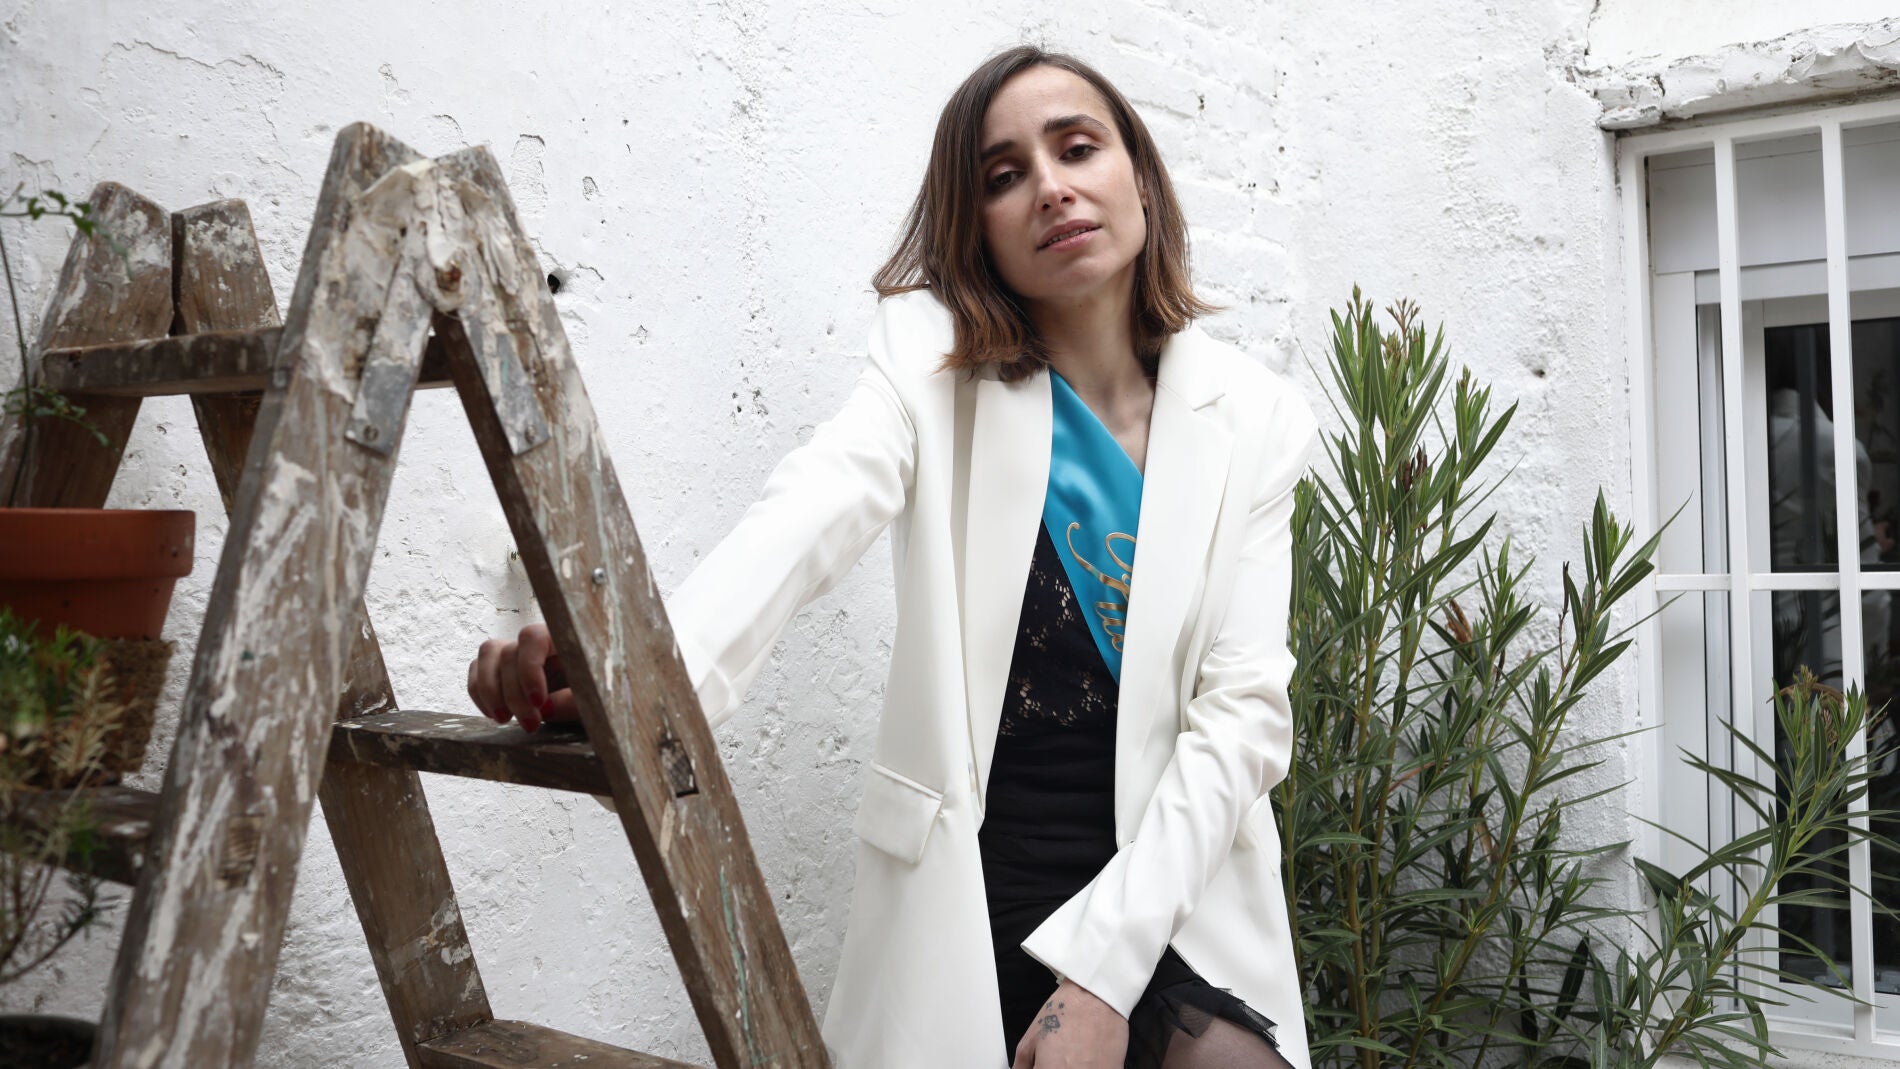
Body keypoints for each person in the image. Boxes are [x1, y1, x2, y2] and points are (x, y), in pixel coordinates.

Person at [466, 44, 1318, 1069]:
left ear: (1137, 174)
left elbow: (1242, 717)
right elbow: (804, 518)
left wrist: (1101, 978)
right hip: (976, 896)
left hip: (1168, 892)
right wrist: (626, 669)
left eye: (1077, 148)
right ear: (978, 229)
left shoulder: (1256, 419)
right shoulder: (929, 363)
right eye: (1004, 175)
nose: (1050, 188)